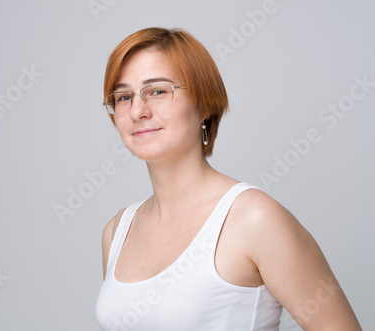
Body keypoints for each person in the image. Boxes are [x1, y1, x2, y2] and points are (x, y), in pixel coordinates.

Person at [95, 27, 361, 330]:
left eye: (157, 91)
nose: (137, 110)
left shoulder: (255, 219)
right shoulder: (117, 231)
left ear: (204, 102)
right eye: (123, 96)